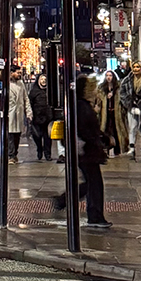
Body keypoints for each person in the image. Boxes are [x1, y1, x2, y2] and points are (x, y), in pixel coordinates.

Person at [54, 74, 112, 230]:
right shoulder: (81, 106)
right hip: (86, 152)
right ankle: (94, 216)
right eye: (92, 89)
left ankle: (65, 201)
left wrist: (103, 138)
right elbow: (84, 129)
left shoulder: (82, 105)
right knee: (94, 184)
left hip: (87, 151)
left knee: (92, 183)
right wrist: (97, 140)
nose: (95, 92)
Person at [120, 60, 141, 161]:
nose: (136, 69)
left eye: (138, 67)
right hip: (132, 106)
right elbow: (122, 93)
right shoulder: (127, 80)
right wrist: (129, 104)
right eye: (134, 67)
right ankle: (132, 149)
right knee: (132, 127)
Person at [5, 66, 32, 163]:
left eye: (20, 73)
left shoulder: (21, 84)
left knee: (17, 135)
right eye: (18, 73)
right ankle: (10, 155)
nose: (19, 75)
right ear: (11, 73)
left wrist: (29, 113)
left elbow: (26, 99)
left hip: (19, 114)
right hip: (10, 114)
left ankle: (14, 154)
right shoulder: (4, 84)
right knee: (10, 135)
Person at [99, 70, 126, 156]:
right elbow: (98, 100)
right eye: (107, 75)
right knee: (106, 130)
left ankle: (118, 149)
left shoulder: (118, 88)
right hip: (105, 112)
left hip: (115, 112)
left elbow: (122, 99)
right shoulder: (102, 88)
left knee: (116, 130)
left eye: (110, 75)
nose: (108, 77)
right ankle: (105, 149)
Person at [28, 73, 51, 161]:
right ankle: (39, 148)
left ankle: (47, 153)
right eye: (41, 79)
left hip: (48, 117)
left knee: (47, 137)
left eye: (45, 79)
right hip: (37, 117)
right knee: (37, 135)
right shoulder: (34, 92)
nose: (43, 81)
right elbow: (30, 103)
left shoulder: (49, 91)